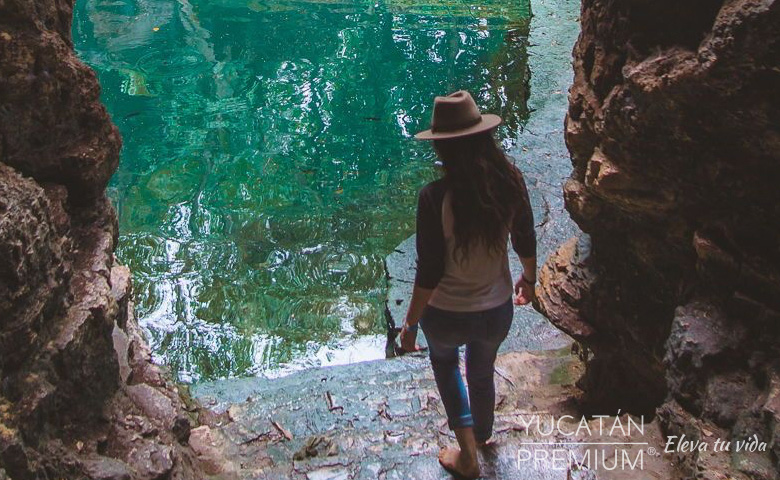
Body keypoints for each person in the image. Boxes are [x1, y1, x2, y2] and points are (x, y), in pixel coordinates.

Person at [400, 90, 537, 479]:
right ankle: (482, 434)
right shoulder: (509, 183)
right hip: (496, 310)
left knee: (445, 364)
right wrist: (529, 277)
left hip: (445, 315)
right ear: (483, 136)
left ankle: (468, 454)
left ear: (442, 147)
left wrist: (410, 325)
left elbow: (429, 272)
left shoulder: (433, 197)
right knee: (482, 369)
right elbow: (524, 238)